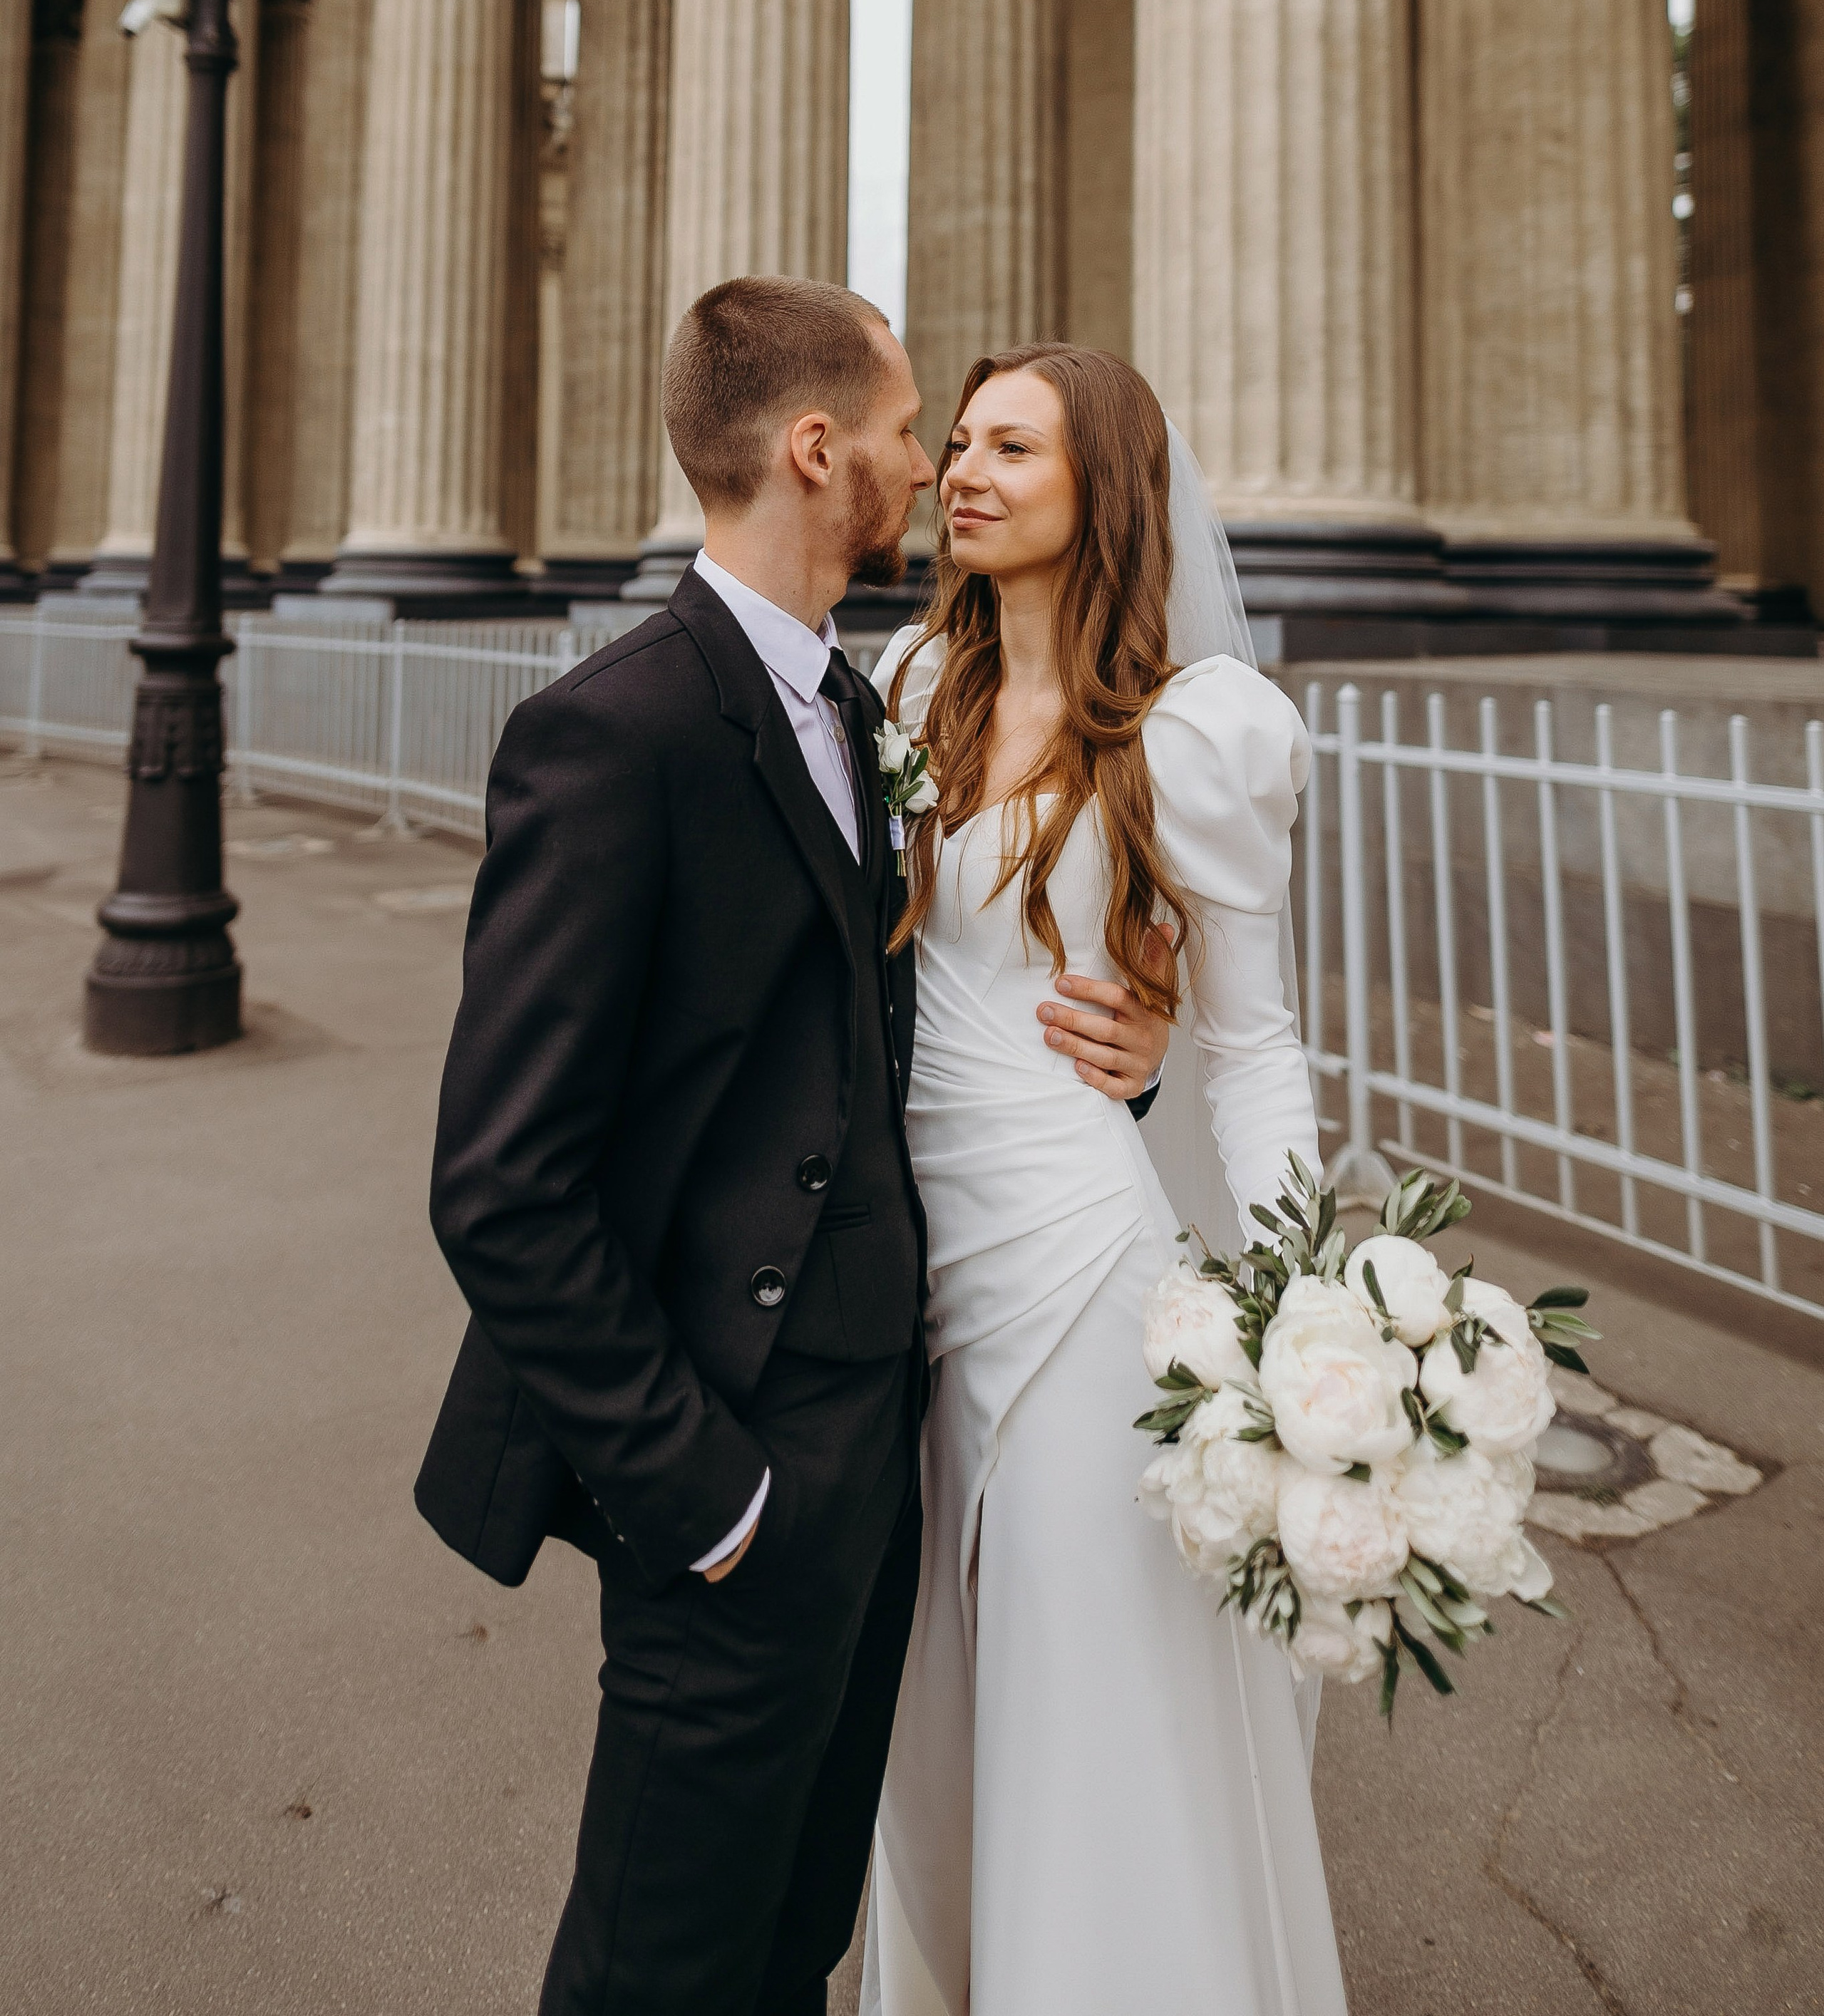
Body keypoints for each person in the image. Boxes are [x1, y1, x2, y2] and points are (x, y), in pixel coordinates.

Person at [412, 279, 1172, 2016]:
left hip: (879, 1452)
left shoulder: (871, 714)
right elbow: (500, 1187)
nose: (927, 465)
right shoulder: (613, 734)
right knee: (655, 1971)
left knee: (791, 1943)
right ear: (816, 449)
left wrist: (1114, 1069)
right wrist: (708, 1498)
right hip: (729, 1478)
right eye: (910, 428)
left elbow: (902, 1043)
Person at [861, 343, 1349, 2016]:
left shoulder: (1198, 733)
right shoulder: (914, 679)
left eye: (1013, 446)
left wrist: (1301, 1316)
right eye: (961, 442)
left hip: (1074, 1261)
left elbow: (1250, 1049)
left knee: (1086, 1684)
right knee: (936, 1688)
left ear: (1106, 489)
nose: (962, 471)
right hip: (898, 1266)